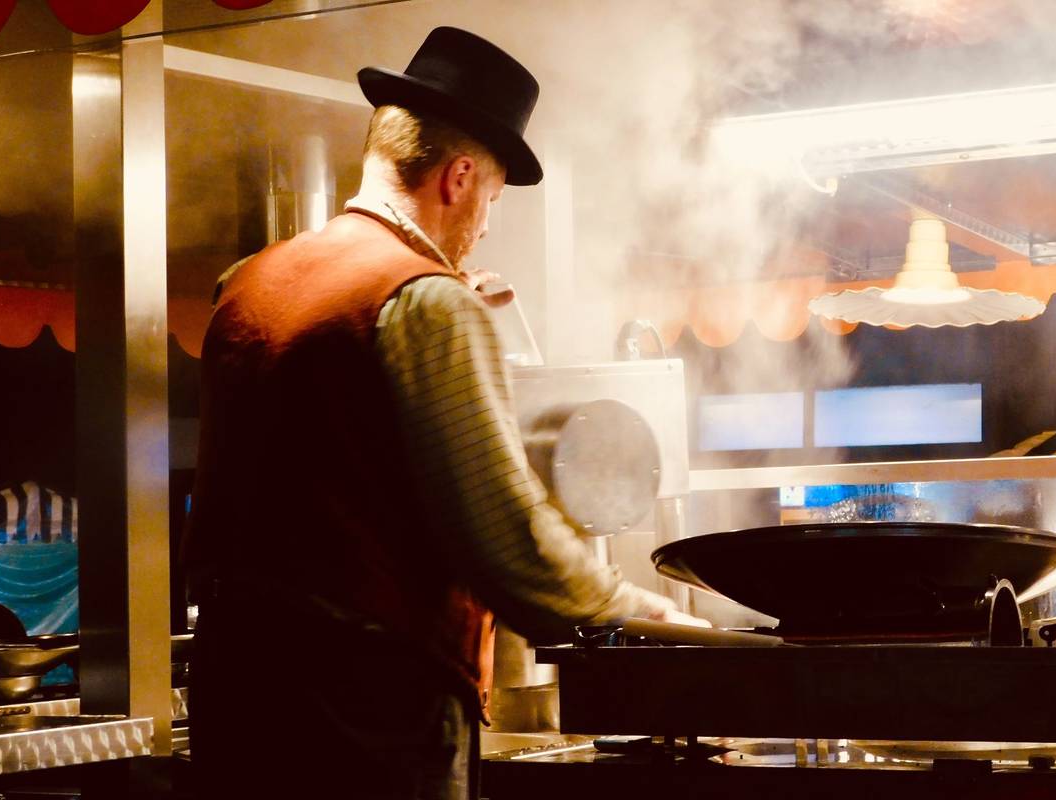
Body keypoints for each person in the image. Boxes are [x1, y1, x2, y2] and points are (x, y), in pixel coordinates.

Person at [183, 26, 705, 800]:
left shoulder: (248, 282)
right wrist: (653, 616)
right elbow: (506, 545)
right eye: (492, 196)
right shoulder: (424, 300)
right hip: (364, 711)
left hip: (235, 698)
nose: (488, 223)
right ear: (459, 177)